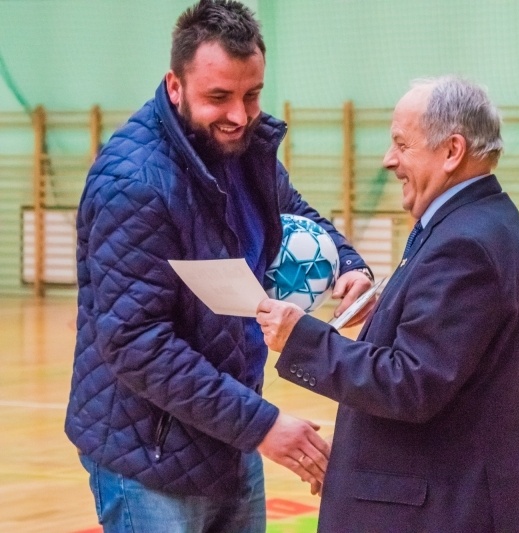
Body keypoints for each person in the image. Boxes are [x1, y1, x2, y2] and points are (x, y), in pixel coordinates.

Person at [64, 1, 374, 531]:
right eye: (219, 97)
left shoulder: (243, 147)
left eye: (251, 94)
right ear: (175, 85)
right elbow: (136, 344)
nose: (239, 115)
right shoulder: (133, 184)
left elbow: (294, 208)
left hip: (228, 436)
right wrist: (263, 426)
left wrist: (347, 262)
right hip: (148, 457)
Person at [257, 76, 519, 532]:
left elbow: (411, 383)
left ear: (452, 151)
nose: (389, 159)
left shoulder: (467, 243)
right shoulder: (474, 223)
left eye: (401, 144)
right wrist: (387, 317)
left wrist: (300, 338)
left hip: (448, 513)